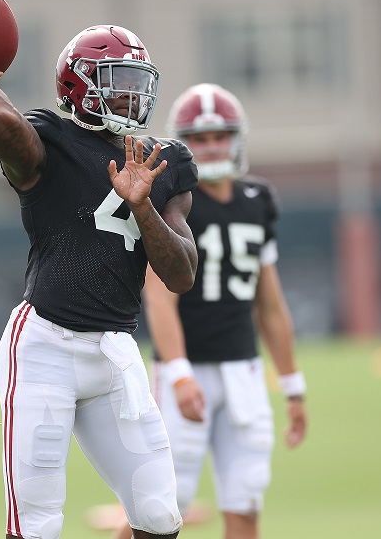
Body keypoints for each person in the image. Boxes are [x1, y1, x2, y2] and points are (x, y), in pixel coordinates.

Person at [0, 24, 199, 539]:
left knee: (158, 516)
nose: (132, 93)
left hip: (114, 353)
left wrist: (143, 205)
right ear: (80, 86)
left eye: (136, 79)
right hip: (45, 348)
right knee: (36, 526)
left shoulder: (163, 162)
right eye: (117, 79)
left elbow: (181, 275)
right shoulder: (52, 143)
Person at [114, 83, 307, 539]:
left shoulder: (259, 200)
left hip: (244, 370)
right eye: (199, 139)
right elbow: (159, 296)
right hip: (187, 370)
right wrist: (179, 373)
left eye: (220, 135)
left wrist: (293, 384)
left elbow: (270, 305)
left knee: (246, 500)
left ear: (237, 137)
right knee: (160, 508)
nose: (211, 146)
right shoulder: (175, 199)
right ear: (182, 143)